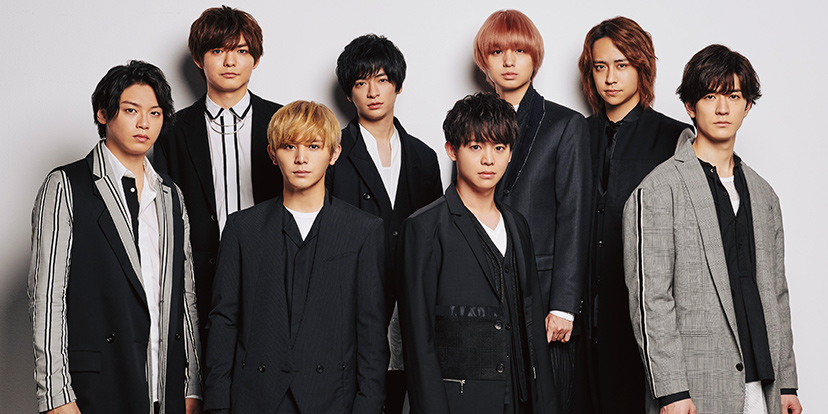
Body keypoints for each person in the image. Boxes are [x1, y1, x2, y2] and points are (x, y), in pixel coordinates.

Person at [624, 44, 802, 414]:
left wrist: (787, 383)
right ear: (690, 106)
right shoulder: (656, 191)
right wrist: (671, 391)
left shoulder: (764, 195)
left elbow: (777, 295)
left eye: (733, 96)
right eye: (710, 96)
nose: (722, 108)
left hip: (764, 385)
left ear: (747, 106)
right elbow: (650, 301)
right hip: (694, 386)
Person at [28, 60, 201, 414]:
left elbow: (185, 297)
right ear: (103, 113)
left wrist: (191, 384)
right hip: (95, 389)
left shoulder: (171, 195)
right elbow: (47, 299)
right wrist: (56, 396)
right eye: (131, 110)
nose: (144, 123)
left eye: (155, 113)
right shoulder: (65, 186)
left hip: (165, 389)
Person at [202, 101, 388, 414]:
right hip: (255, 398)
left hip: (332, 400)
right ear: (273, 154)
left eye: (314, 146)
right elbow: (224, 321)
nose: (301, 158)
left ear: (334, 153)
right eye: (289, 146)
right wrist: (217, 406)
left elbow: (371, 332)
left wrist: (368, 406)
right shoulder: (242, 229)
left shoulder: (363, 231)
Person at [398, 92, 554, 414]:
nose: (488, 160)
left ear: (510, 153)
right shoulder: (424, 228)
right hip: (460, 401)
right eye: (475, 146)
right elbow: (418, 340)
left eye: (499, 147)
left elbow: (532, 324)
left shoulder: (517, 225)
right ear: (452, 150)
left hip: (522, 398)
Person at [473, 9, 591, 411]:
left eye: (520, 51)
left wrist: (563, 306)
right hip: (484, 297)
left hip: (543, 302)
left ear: (534, 58)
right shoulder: (471, 124)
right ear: (483, 60)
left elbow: (574, 216)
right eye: (497, 52)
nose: (509, 61)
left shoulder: (565, 124)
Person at [575, 16, 693, 413]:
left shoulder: (674, 137)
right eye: (600, 66)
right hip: (582, 315)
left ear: (642, 67)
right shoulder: (575, 134)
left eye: (621, 65)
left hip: (643, 313)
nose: (610, 78)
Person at [153, 6, 282, 353]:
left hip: (274, 272)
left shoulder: (282, 122)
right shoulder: (172, 132)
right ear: (199, 59)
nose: (230, 61)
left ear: (256, 59)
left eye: (241, 50)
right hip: (199, 280)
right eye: (217, 50)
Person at [329, 33, 443, 412]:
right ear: (349, 93)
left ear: (398, 85)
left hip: (410, 298)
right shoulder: (332, 154)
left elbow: (435, 236)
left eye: (382, 80)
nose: (373, 92)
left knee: (402, 390)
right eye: (361, 83)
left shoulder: (424, 157)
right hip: (350, 298)